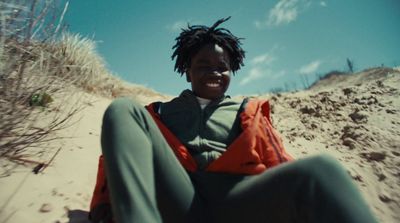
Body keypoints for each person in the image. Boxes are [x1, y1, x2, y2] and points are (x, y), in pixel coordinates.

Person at [94, 17, 378, 223]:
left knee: (321, 168)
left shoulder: (247, 110)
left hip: (237, 202)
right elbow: (120, 158)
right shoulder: (158, 113)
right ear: (187, 72)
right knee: (123, 108)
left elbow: (277, 161)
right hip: (179, 199)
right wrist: (103, 202)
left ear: (232, 71)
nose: (214, 72)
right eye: (203, 66)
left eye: (222, 67)